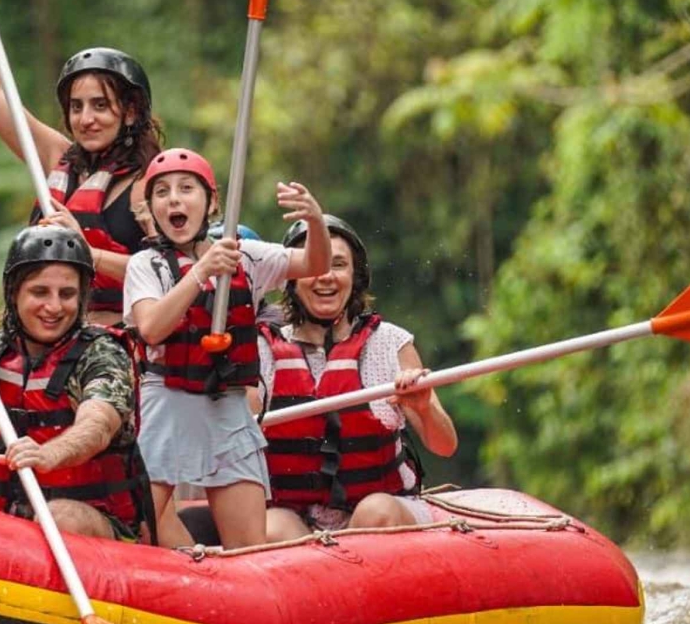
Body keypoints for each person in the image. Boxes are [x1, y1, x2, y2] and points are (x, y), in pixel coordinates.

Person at [124, 149, 330, 549]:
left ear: (212, 202)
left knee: (249, 545)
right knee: (141, 529)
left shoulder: (244, 255)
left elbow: (314, 264)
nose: (174, 199)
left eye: (186, 188)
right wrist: (201, 271)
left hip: (226, 405)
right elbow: (151, 328)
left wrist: (315, 221)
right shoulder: (145, 265)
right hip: (166, 402)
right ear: (152, 209)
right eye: (162, 192)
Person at [0, 0, 164, 325]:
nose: (86, 119)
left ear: (130, 111)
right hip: (43, 337)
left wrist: (85, 250)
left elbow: (173, 274)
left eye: (100, 105)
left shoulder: (150, 184)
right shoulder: (56, 156)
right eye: (76, 107)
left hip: (115, 341)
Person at [0, 226, 153, 542]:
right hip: (10, 511)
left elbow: (98, 426)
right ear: (14, 293)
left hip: (97, 520)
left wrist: (47, 455)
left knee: (58, 516)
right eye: (40, 292)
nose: (54, 307)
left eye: (67, 294)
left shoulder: (102, 352)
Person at [262, 216, 459, 541]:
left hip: (384, 507)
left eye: (338, 264)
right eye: (313, 264)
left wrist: (423, 408)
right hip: (298, 517)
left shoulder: (391, 343)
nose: (325, 276)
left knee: (375, 512)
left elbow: (445, 445)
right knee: (270, 529)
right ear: (292, 279)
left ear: (356, 276)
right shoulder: (264, 351)